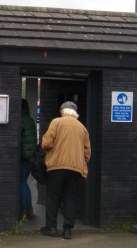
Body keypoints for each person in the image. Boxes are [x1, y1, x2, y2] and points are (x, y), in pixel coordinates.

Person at [40, 101, 91, 239]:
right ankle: (67, 230)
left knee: (53, 196)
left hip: (56, 166)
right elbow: (87, 153)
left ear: (62, 111)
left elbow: (46, 143)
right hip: (75, 168)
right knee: (70, 198)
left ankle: (51, 228)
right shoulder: (82, 128)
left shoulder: (56, 122)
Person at [20, 99, 37, 220]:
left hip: (23, 156)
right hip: (30, 155)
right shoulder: (30, 119)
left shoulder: (20, 119)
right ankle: (29, 210)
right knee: (24, 182)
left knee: (20, 183)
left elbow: (19, 138)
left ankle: (23, 211)